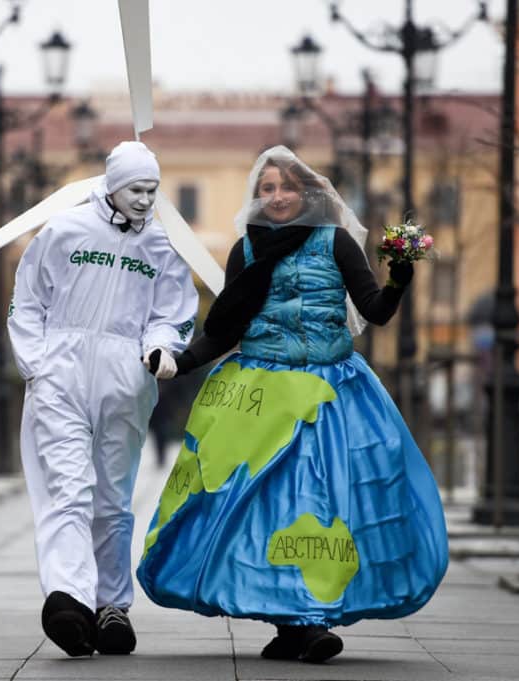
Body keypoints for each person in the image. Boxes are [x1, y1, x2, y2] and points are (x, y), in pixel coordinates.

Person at [136, 146, 448, 665]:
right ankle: (296, 624)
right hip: (261, 397)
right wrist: (178, 362)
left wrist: (399, 278)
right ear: (257, 197)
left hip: (332, 396)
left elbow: (374, 310)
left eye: (287, 187)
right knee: (261, 507)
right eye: (267, 188)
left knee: (321, 505)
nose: (278, 196)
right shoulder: (246, 251)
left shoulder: (337, 242)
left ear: (308, 193)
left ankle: (305, 620)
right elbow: (225, 328)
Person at [8, 140, 199, 657]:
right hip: (61, 375)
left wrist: (161, 348)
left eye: (152, 190)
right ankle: (68, 599)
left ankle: (111, 604)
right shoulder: (65, 231)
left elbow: (174, 309)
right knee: (69, 488)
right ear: (112, 186)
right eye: (136, 189)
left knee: (113, 498)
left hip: (124, 380)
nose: (144, 199)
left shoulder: (160, 245)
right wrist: (38, 365)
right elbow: (27, 299)